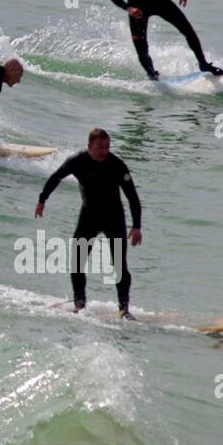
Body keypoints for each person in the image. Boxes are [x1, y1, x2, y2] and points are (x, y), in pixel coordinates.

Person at [34, 128, 142, 317]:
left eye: (107, 147)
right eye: (99, 147)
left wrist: (136, 226)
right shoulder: (77, 161)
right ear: (89, 146)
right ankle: (79, 305)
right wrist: (42, 200)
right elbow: (55, 177)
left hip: (114, 218)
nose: (104, 151)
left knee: (119, 266)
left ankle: (124, 309)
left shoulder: (117, 165)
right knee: (77, 263)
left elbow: (132, 197)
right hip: (89, 217)